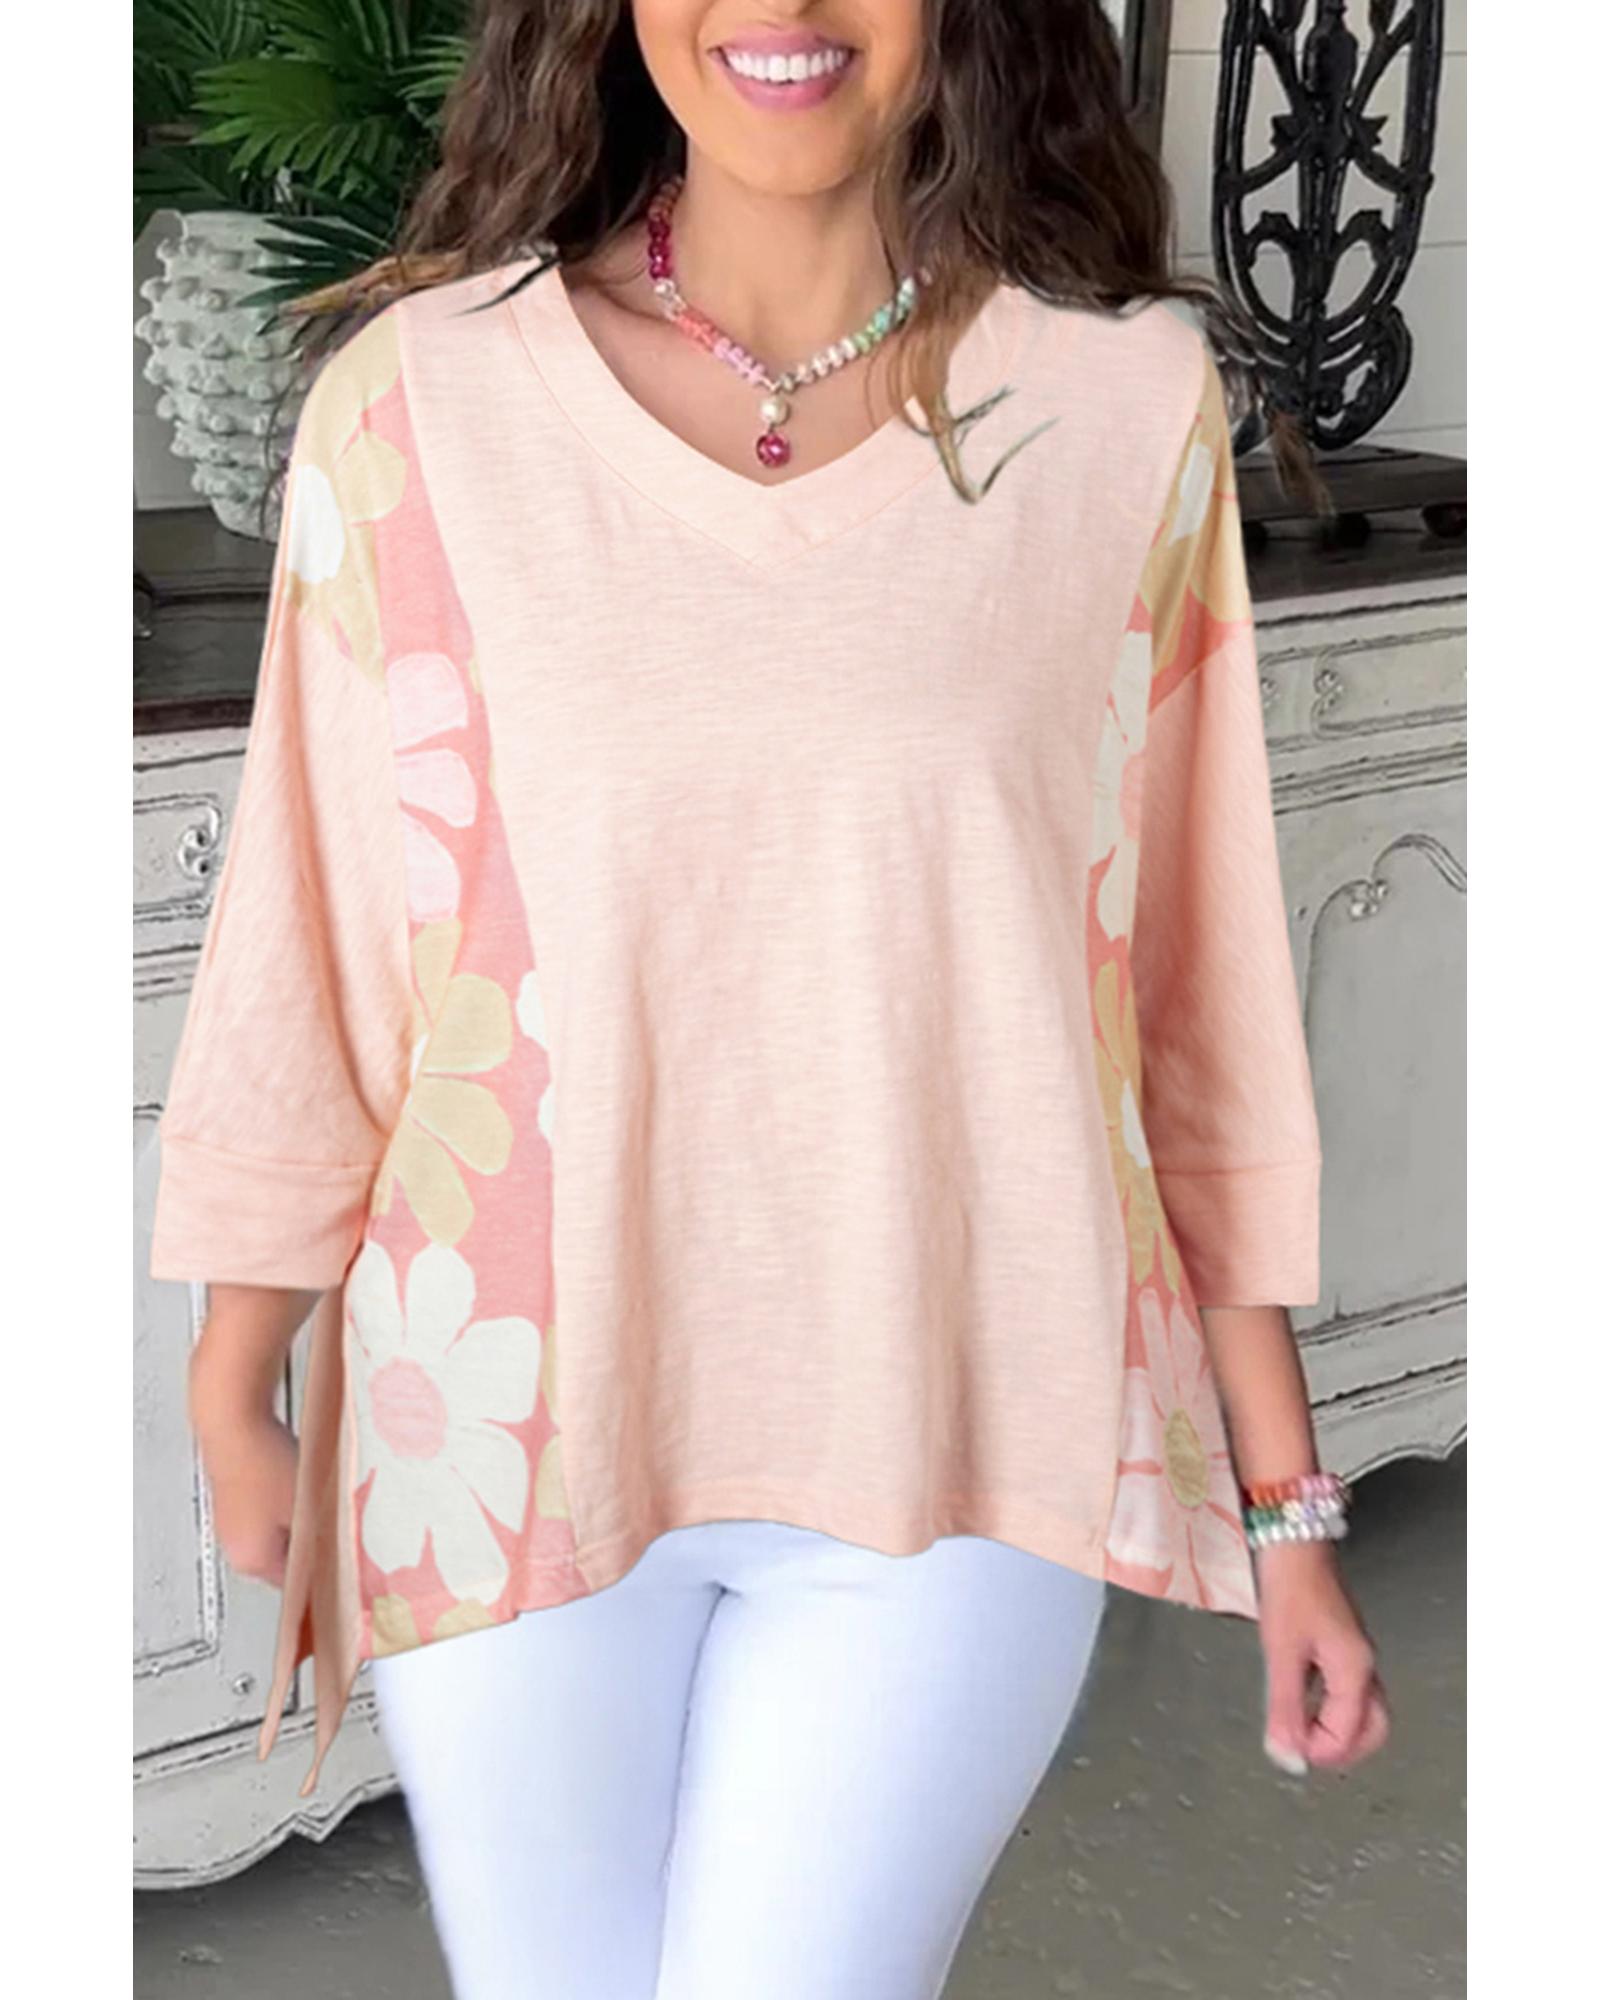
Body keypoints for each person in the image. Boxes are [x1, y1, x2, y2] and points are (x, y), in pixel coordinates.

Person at [148, 2, 1391, 1995]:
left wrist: (1287, 1500)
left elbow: (1188, 993)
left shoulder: (1115, 408)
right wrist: (234, 1376)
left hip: (963, 1426)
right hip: (511, 1420)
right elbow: (318, 928)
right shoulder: (417, 408)